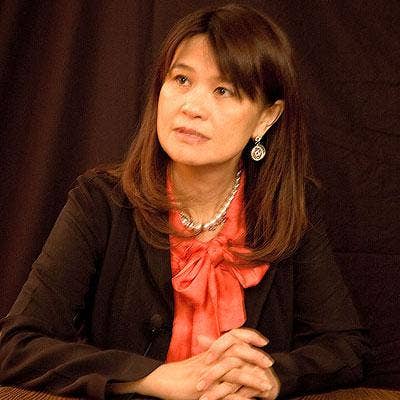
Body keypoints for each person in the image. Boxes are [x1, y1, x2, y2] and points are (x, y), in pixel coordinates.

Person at [0, 4, 369, 400]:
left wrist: (265, 376)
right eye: (181, 79)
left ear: (266, 117)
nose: (191, 107)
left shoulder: (293, 207)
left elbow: (346, 348)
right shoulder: (100, 202)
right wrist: (154, 378)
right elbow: (15, 346)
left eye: (223, 90)